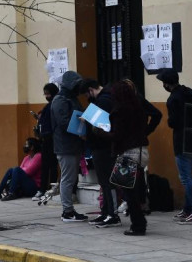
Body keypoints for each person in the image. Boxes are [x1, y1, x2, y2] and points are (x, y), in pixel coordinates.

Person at [157, 68, 192, 225]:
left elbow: (173, 122)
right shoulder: (190, 92)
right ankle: (188, 209)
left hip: (182, 140)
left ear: (166, 84)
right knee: (188, 176)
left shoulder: (173, 99)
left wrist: (170, 121)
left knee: (185, 178)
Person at [109, 81, 150, 236]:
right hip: (142, 152)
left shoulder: (120, 111)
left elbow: (117, 135)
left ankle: (138, 225)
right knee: (135, 190)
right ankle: (140, 221)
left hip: (128, 154)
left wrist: (99, 131)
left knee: (129, 193)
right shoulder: (138, 108)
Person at [82, 79, 122, 228]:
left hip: (103, 147)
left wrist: (86, 122)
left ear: (91, 89)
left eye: (87, 93)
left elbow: (102, 125)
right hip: (101, 146)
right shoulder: (105, 99)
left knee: (107, 182)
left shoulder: (103, 101)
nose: (87, 96)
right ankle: (106, 212)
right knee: (104, 182)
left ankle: (112, 214)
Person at [50, 70, 87, 222]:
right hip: (66, 145)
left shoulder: (70, 98)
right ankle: (67, 211)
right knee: (67, 179)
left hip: (73, 144)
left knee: (70, 178)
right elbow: (64, 122)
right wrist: (80, 129)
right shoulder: (60, 100)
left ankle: (69, 210)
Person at [33, 83, 59, 201]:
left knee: (52, 165)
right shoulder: (49, 105)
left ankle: (49, 189)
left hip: (52, 139)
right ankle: (43, 189)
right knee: (45, 166)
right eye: (45, 94)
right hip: (45, 139)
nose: (46, 96)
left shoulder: (55, 104)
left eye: (48, 94)